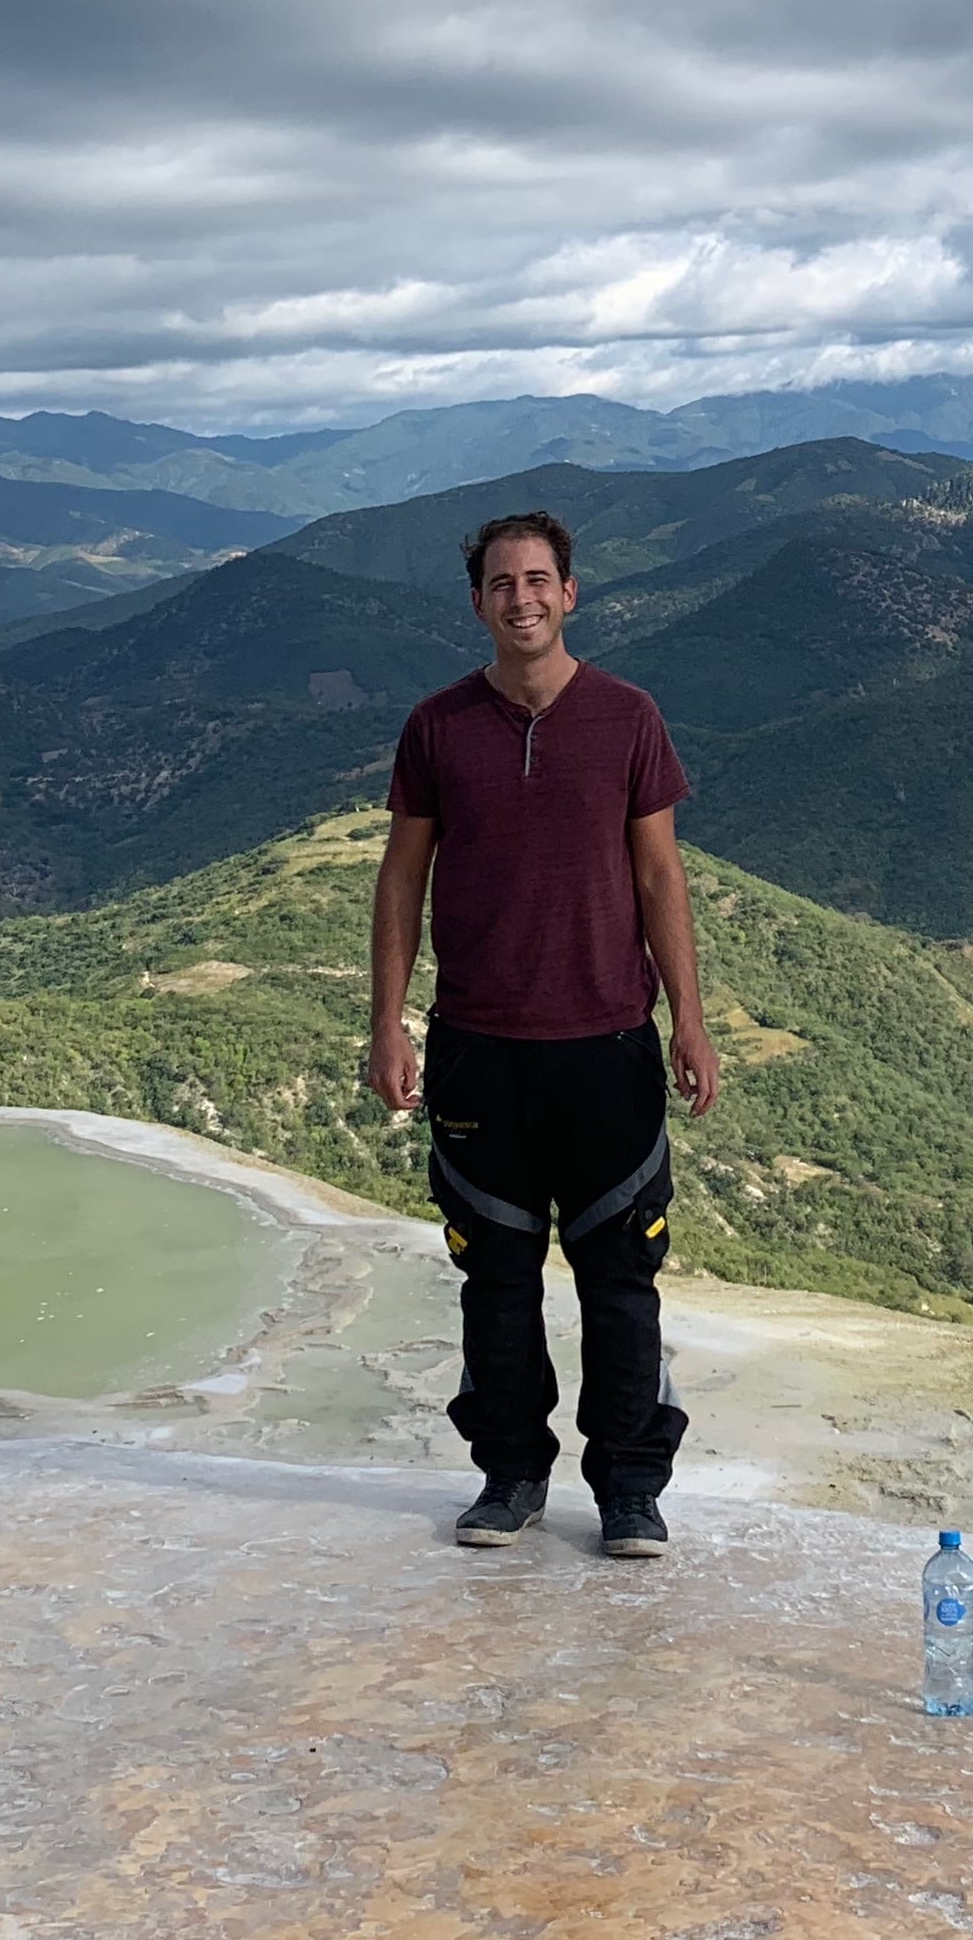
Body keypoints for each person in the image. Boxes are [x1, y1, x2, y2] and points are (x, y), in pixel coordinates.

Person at [366, 508, 718, 1559]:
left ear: (571, 593)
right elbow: (401, 883)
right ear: (477, 602)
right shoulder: (438, 727)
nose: (520, 597)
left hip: (609, 1040)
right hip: (478, 1045)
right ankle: (511, 1475)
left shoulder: (628, 716)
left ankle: (629, 1489)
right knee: (496, 1281)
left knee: (621, 1279)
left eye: (538, 579)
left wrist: (690, 1020)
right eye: (500, 583)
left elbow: (661, 874)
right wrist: (388, 1022)